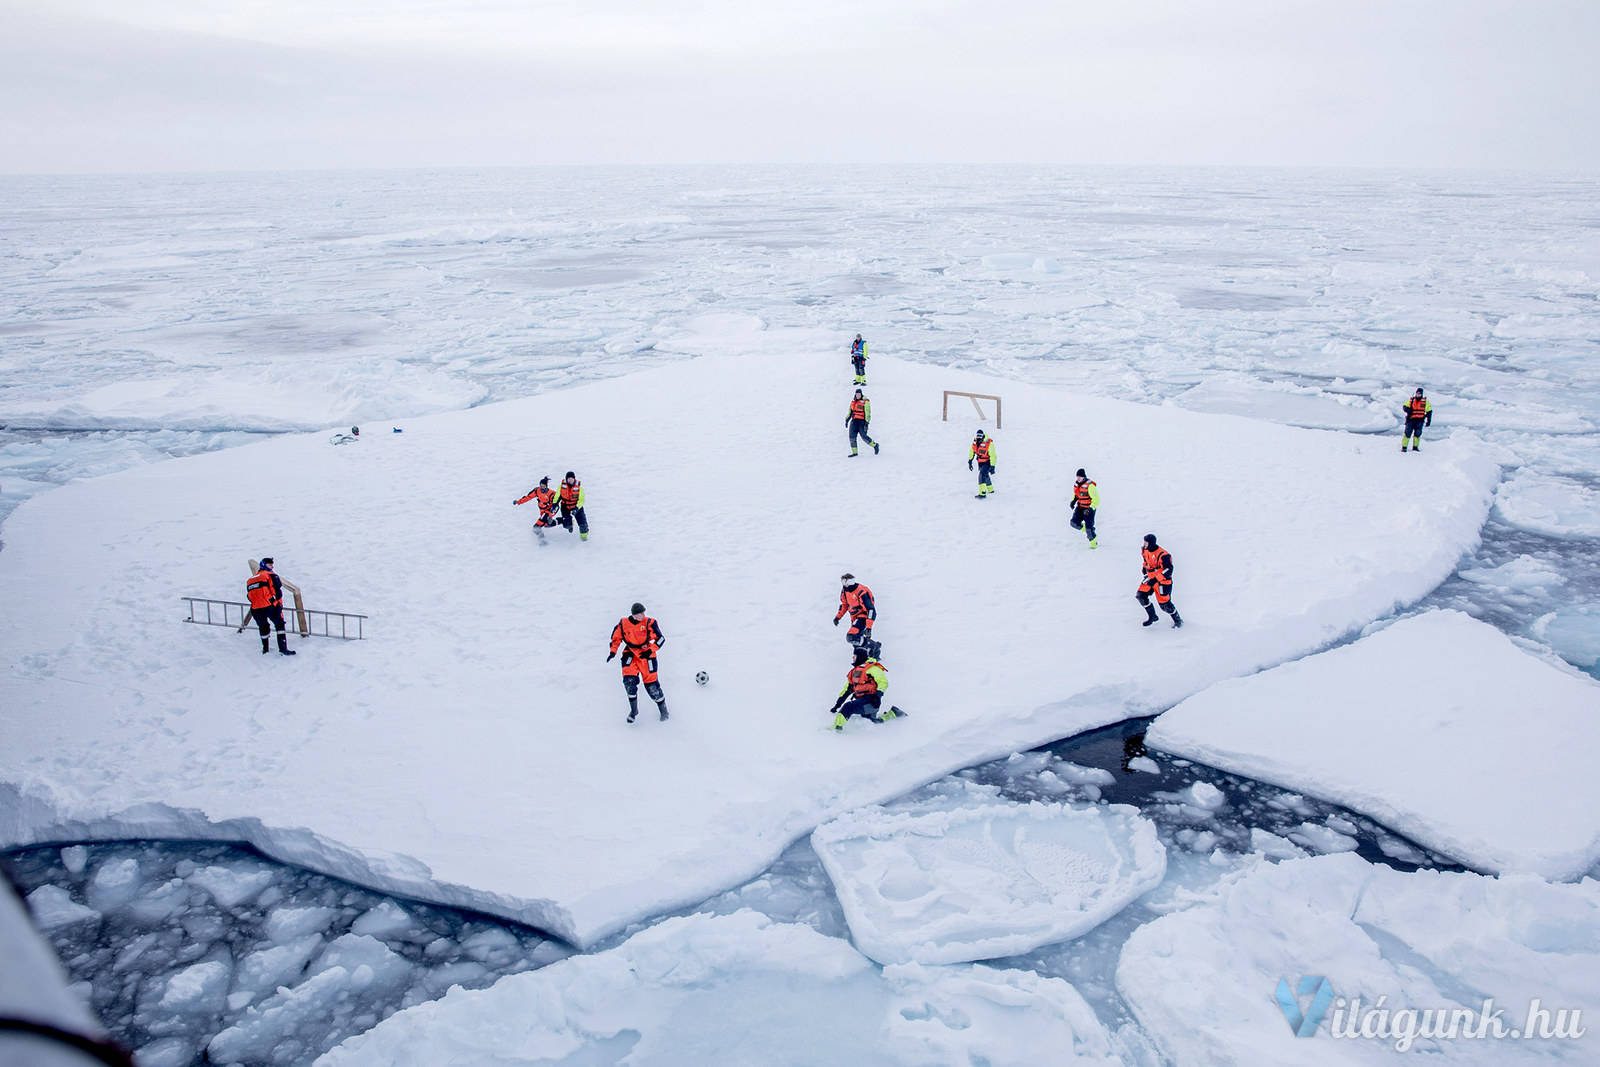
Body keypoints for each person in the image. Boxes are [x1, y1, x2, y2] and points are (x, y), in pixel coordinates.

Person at [607, 602, 669, 723]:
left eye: (643, 613)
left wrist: (651, 650)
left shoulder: (649, 622)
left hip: (646, 655)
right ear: (634, 615)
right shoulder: (623, 624)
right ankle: (633, 711)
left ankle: (663, 710)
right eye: (640, 613)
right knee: (629, 682)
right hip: (630, 654)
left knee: (652, 686)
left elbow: (661, 639)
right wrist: (613, 652)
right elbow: (616, 638)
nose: (643, 615)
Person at [828, 646, 901, 730]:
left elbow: (883, 682)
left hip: (872, 701)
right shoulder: (854, 672)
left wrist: (877, 696)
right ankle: (893, 713)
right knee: (872, 721)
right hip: (862, 701)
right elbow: (847, 690)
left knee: (848, 707)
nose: (852, 657)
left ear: (860, 656)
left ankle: (836, 728)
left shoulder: (872, 668)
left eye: (854, 656)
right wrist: (837, 705)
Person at [245, 557, 296, 656]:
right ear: (264, 565)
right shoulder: (271, 575)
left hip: (256, 608)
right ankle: (283, 649)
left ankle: (265, 649)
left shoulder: (250, 580)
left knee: (263, 627)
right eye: (270, 564)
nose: (272, 566)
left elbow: (249, 596)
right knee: (279, 624)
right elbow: (278, 591)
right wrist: (275, 602)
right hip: (270, 606)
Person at [1136, 533, 1183, 629]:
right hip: (1150, 577)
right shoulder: (1145, 550)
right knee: (1140, 595)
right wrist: (1145, 573)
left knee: (1165, 605)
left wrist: (1156, 579)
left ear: (1152, 543)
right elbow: (1145, 562)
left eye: (1146, 543)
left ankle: (1178, 621)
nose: (1144, 544)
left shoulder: (1163, 555)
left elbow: (1169, 570)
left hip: (1163, 581)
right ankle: (1152, 616)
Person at [834, 573, 880, 656]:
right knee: (856, 642)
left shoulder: (861, 592)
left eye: (846, 582)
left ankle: (875, 647)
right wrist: (838, 617)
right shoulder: (845, 591)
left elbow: (871, 610)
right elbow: (844, 605)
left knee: (851, 636)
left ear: (850, 582)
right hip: (854, 618)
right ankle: (865, 657)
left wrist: (869, 627)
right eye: (843, 582)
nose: (844, 585)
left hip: (863, 617)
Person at [513, 476, 559, 543]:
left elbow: (556, 506)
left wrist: (550, 515)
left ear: (546, 486)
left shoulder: (552, 494)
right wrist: (518, 502)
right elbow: (528, 497)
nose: (542, 487)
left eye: (543, 486)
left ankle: (543, 541)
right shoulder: (537, 491)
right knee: (547, 525)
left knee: (536, 527)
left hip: (547, 512)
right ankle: (562, 521)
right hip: (542, 512)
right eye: (541, 486)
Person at [1070, 468, 1099, 548]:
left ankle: (1094, 544)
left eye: (1080, 477)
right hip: (1080, 508)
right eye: (1077, 477)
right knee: (1073, 523)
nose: (1078, 478)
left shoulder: (1090, 486)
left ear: (1084, 477)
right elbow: (1076, 495)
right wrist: (1073, 501)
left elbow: (1096, 500)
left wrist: (1090, 509)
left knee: (1089, 528)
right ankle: (1085, 529)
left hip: (1089, 509)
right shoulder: (1077, 485)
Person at [846, 389, 879, 458]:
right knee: (852, 437)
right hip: (854, 421)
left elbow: (868, 412)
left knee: (864, 436)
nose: (858, 395)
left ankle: (875, 445)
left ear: (861, 394)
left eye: (859, 394)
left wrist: (867, 422)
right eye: (856, 394)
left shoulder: (865, 401)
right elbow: (850, 411)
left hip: (862, 422)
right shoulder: (853, 402)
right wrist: (847, 420)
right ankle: (855, 452)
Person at [557, 471, 589, 541]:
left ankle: (584, 539)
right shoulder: (561, 486)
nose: (570, 480)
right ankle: (570, 524)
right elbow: (557, 496)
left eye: (572, 478)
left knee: (583, 525)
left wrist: (576, 508)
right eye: (568, 478)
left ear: (574, 479)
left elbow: (581, 500)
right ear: (566, 479)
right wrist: (554, 504)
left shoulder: (579, 488)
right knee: (567, 525)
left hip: (577, 507)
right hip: (565, 507)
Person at [968, 430, 996, 498]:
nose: (979, 437)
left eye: (980, 436)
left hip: (987, 462)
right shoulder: (975, 442)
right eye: (977, 436)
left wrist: (992, 466)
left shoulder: (989, 443)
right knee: (985, 475)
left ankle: (982, 493)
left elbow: (993, 455)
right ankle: (990, 489)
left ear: (983, 436)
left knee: (982, 475)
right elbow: (972, 451)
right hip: (980, 462)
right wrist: (970, 461)